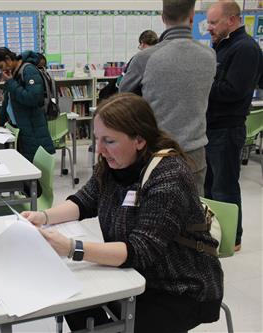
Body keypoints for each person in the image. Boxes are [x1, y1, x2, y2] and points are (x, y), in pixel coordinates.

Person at [22, 93, 223, 333]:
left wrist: (70, 248)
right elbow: (84, 201)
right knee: (73, 299)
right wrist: (42, 217)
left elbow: (140, 250)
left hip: (180, 288)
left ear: (139, 140)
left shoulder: (169, 176)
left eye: (109, 141)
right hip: (133, 274)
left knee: (87, 301)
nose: (100, 149)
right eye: (98, 139)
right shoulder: (113, 164)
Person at [119, 0, 216, 195]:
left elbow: (123, 101)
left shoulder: (145, 58)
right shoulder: (209, 55)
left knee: (154, 216)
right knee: (194, 217)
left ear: (163, 18)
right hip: (195, 154)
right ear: (192, 17)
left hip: (155, 153)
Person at [204, 0, 263, 252]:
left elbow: (233, 90)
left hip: (226, 129)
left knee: (224, 186)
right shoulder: (222, 45)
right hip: (211, 128)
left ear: (232, 20)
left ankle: (232, 239)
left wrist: (201, 83)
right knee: (209, 186)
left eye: (214, 22)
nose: (209, 27)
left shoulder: (245, 48)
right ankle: (212, 232)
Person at [0, 47, 55, 163]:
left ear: (8, 59)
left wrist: (10, 82)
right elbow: (7, 102)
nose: (1, 71)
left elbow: (32, 98)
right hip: (21, 129)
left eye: (1, 66)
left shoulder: (28, 70)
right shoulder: (13, 73)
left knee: (34, 169)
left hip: (33, 129)